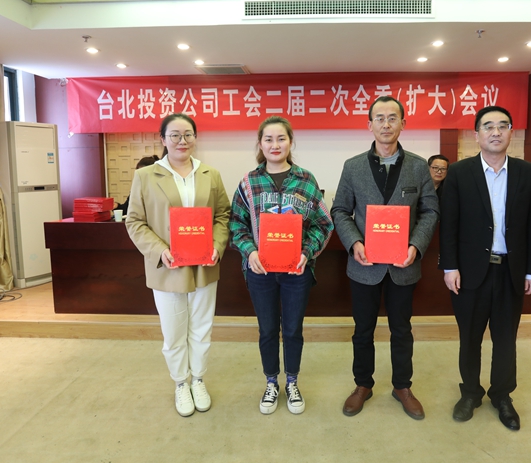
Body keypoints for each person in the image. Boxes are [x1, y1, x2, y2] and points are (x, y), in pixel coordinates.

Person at [331, 96, 438, 420]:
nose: (386, 124)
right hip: (364, 266)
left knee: (401, 330)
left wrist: (416, 246)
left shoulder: (418, 166)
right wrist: (354, 242)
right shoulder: (352, 166)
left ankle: (402, 386)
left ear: (403, 123)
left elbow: (430, 211)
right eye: (379, 118)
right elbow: (340, 210)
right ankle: (362, 384)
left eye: (393, 118)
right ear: (370, 125)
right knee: (363, 330)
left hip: (403, 266)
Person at [438, 105, 531, 431]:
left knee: (505, 339)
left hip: (511, 271)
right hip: (471, 272)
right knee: (470, 338)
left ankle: (502, 395)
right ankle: (470, 392)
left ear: (511, 132)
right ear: (477, 135)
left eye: (502, 125)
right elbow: (449, 225)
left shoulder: (528, 173)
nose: (495, 132)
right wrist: (450, 267)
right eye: (488, 126)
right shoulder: (459, 173)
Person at [126, 113, 230, 418]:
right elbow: (135, 221)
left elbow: (223, 215)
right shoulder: (145, 176)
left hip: (204, 265)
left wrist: (217, 245)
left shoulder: (210, 174)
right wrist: (159, 250)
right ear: (163, 139)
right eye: (174, 135)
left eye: (188, 134)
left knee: (201, 329)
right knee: (173, 332)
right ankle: (181, 383)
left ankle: (198, 379)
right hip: (168, 267)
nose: (182, 141)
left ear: (195, 138)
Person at [229, 116, 333, 415]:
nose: (275, 145)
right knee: (267, 330)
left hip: (296, 272)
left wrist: (307, 252)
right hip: (260, 272)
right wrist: (249, 251)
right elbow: (236, 224)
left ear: (290, 142)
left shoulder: (306, 180)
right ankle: (271, 382)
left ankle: (292, 382)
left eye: (281, 138)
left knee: (292, 330)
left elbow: (323, 224)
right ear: (260, 144)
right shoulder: (248, 182)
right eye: (269, 139)